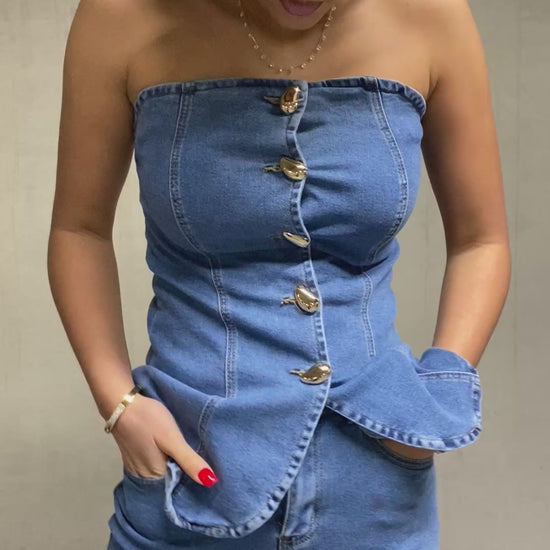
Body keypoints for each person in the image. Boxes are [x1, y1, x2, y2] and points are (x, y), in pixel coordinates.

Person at [47, 0, 510, 548]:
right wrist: (120, 405)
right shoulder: (120, 17)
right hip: (192, 472)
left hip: (378, 485)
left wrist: (443, 386)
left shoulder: (432, 16)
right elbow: (79, 231)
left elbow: (482, 241)